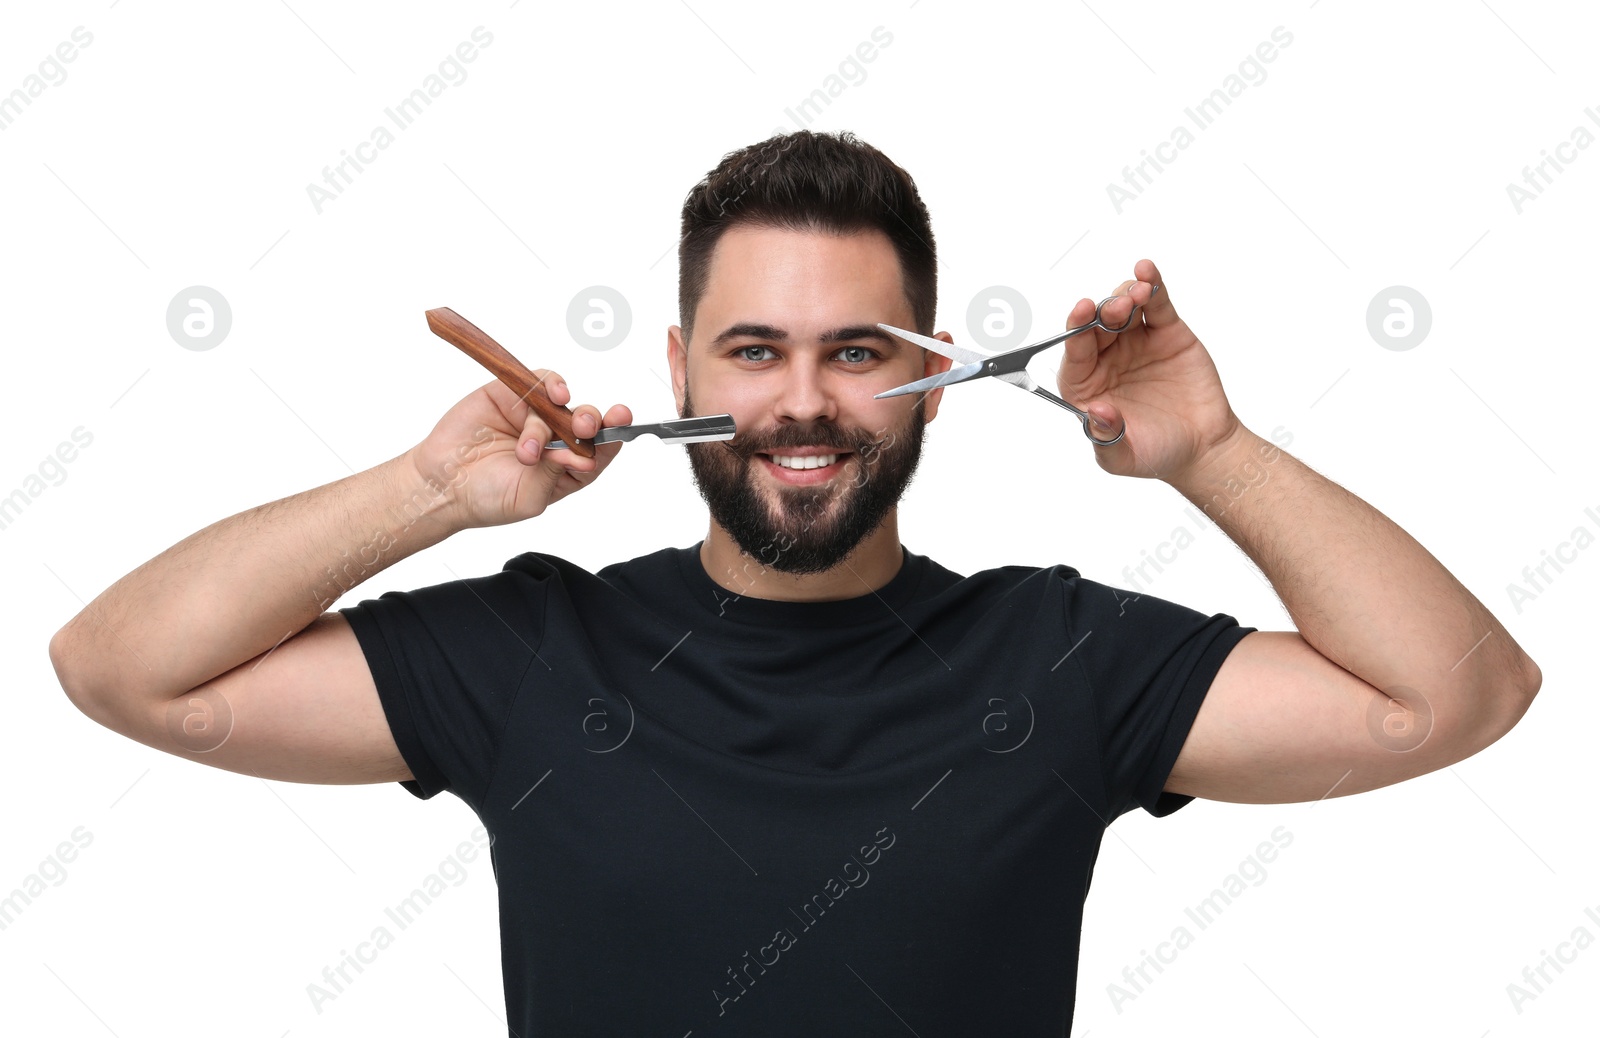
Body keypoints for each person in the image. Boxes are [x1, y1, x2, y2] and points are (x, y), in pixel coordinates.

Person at [49, 129, 1540, 1035]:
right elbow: (122, 666)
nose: (805, 402)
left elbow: (1457, 692)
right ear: (681, 373)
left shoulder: (1060, 653)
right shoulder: (530, 649)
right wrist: (427, 495)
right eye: (755, 350)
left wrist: (1211, 447)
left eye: (861, 351)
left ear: (937, 382)